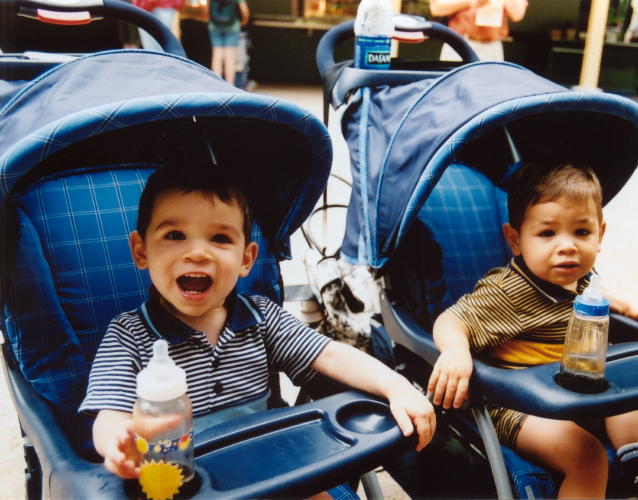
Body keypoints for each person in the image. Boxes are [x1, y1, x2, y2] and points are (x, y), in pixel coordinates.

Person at [78, 164, 435, 484]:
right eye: (174, 235)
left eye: (219, 238)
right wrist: (119, 443)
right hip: (184, 480)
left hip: (269, 470)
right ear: (141, 251)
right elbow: (109, 413)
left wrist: (396, 386)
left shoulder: (261, 317)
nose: (198, 252)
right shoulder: (130, 335)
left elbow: (332, 356)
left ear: (246, 258)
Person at [427, 161, 638, 498]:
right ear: (515, 240)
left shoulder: (580, 279)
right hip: (520, 405)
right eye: (547, 233)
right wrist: (456, 350)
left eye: (581, 232)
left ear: (600, 234)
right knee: (587, 457)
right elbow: (451, 319)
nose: (567, 246)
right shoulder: (508, 292)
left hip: (573, 386)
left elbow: (583, 295)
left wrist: (612, 301)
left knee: (631, 395)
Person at [429, 0, 528, 62]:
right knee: (453, 87)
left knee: (491, 90)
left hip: (492, 45)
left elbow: (517, 14)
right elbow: (437, 8)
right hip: (459, 43)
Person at [208, 0, 250, 84]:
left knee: (217, 55)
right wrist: (243, 22)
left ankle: (216, 83)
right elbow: (245, 11)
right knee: (230, 56)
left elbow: (206, 10)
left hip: (215, 26)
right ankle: (229, 84)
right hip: (232, 26)